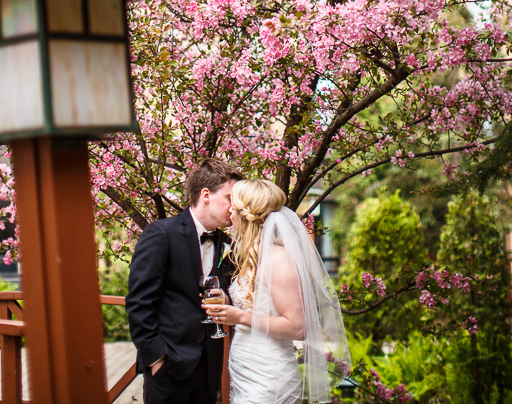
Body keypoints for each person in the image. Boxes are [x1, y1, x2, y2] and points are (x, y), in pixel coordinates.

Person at [202, 178, 351, 404]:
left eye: (234, 203)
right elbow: (259, 305)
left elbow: (298, 327)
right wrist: (228, 302)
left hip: (269, 375)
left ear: (247, 213)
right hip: (246, 372)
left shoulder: (278, 259)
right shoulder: (253, 255)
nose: (229, 210)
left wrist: (240, 316)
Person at [126, 158, 243, 404]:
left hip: (209, 370)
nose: (236, 208)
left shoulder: (228, 245)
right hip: (169, 367)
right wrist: (157, 359)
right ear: (206, 195)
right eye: (230, 198)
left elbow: (232, 292)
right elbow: (138, 302)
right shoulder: (161, 233)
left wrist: (226, 298)